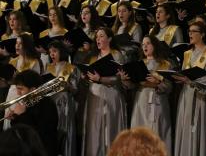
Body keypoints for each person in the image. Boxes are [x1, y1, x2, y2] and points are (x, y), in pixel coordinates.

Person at [174, 21, 206, 156]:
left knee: (200, 129)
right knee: (186, 127)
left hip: (202, 96)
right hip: (186, 95)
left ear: (203, 34)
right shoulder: (187, 53)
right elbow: (183, 72)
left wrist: (191, 81)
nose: (190, 34)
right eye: (189, 31)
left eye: (194, 31)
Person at [121, 35, 173, 153]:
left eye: (148, 43)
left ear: (154, 45)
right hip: (141, 102)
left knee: (157, 135)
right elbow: (132, 85)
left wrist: (158, 82)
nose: (145, 46)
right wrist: (125, 80)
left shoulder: (165, 64)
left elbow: (169, 87)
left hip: (158, 104)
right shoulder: (139, 64)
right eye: (143, 44)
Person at [81, 27, 126, 156]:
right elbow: (89, 77)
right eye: (97, 37)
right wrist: (85, 77)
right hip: (94, 96)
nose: (98, 39)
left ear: (109, 38)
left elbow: (120, 78)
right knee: (95, 129)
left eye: (101, 36)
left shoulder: (117, 54)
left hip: (111, 95)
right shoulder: (93, 57)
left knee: (110, 128)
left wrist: (101, 79)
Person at [7, 71, 59, 156]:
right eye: (17, 88)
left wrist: (22, 115)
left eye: (21, 89)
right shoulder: (26, 102)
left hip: (42, 149)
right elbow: (19, 131)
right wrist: (14, 118)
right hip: (27, 147)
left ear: (33, 90)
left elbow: (38, 135)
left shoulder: (47, 104)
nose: (18, 93)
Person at [44, 40, 79, 156]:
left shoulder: (71, 68)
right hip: (50, 103)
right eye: (50, 52)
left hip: (65, 103)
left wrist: (67, 85)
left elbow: (75, 90)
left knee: (65, 131)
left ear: (61, 52)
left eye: (54, 51)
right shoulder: (47, 68)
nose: (52, 54)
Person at [3, 33, 42, 130]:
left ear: (27, 46)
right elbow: (8, 82)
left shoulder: (34, 62)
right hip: (12, 94)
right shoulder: (12, 61)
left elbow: (34, 84)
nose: (17, 46)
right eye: (16, 43)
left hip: (25, 96)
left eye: (20, 44)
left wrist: (18, 79)